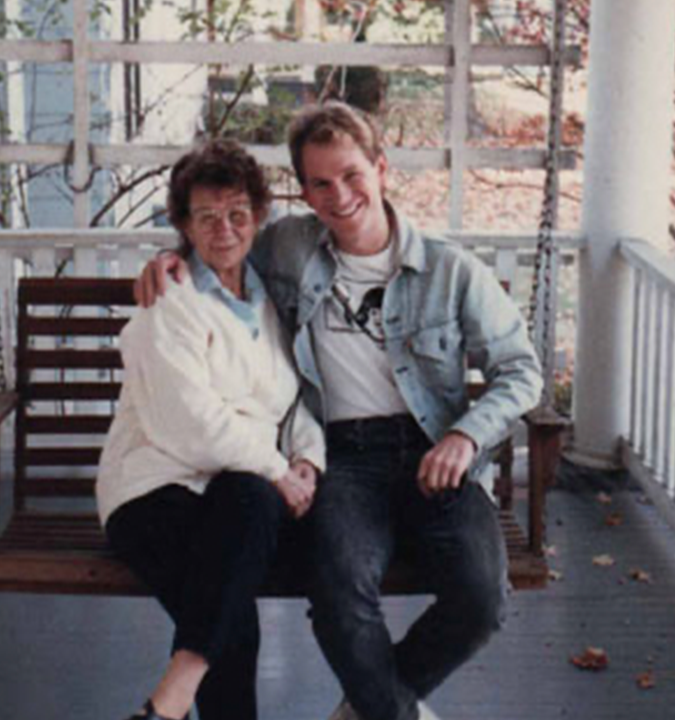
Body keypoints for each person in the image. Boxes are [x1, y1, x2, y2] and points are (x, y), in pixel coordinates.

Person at [135, 102, 543, 720]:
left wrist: (467, 435)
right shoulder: (289, 247)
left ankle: (368, 709)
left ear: (381, 169)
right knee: (337, 595)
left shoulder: (450, 270)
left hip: (437, 451)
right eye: (320, 183)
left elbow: (522, 370)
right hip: (342, 457)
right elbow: (221, 235)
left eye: (352, 175)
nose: (340, 195)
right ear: (304, 192)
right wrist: (172, 260)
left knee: (482, 599)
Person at [97, 139, 326, 720]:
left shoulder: (265, 300)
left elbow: (293, 396)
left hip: (232, 496)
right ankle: (173, 701)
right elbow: (190, 425)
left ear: (258, 217)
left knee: (239, 559)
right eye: (206, 217)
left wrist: (304, 460)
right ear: (183, 225)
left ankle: (167, 702)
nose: (224, 230)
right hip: (152, 493)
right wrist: (276, 470)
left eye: (237, 214)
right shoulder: (169, 302)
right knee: (234, 618)